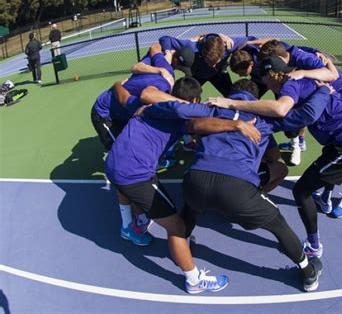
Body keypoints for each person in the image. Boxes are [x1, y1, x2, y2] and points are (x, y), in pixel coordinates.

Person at [142, 79, 337, 292]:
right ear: (255, 99)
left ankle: (184, 247)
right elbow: (306, 115)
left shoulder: (212, 108)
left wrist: (146, 109)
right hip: (236, 187)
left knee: (191, 208)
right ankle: (308, 272)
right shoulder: (263, 117)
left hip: (195, 179)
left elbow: (182, 116)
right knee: (278, 224)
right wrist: (324, 89)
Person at [209, 58, 342, 259]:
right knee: (323, 168)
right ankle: (325, 200)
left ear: (271, 76)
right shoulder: (307, 81)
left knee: (301, 191)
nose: (265, 85)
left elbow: (281, 110)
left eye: (265, 79)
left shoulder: (290, 86)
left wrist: (232, 103)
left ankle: (314, 245)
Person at [106, 77, 260, 293]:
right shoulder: (179, 111)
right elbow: (194, 118)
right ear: (194, 99)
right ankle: (194, 279)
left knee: (126, 185)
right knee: (177, 227)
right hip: (135, 174)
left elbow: (123, 97)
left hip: (113, 164)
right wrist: (236, 123)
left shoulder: (148, 107)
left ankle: (131, 225)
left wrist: (116, 84)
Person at [258, 40, 342, 216]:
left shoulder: (302, 59)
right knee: (331, 147)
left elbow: (332, 74)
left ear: (280, 58)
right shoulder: (285, 64)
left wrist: (306, 71)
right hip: (324, 95)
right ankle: (326, 192)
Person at [90, 49, 177, 246]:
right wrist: (118, 84)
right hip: (105, 115)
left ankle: (138, 211)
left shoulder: (166, 71)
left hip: (121, 114)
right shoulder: (140, 103)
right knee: (124, 164)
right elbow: (123, 96)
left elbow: (155, 46)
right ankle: (127, 226)